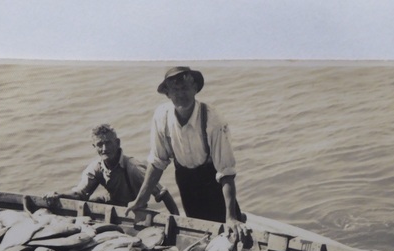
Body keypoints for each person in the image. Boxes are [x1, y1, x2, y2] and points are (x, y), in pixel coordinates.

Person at [125, 66, 248, 241]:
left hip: (213, 181)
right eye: (175, 90)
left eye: (185, 88)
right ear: (167, 94)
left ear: (195, 88)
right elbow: (158, 162)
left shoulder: (213, 119)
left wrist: (231, 217)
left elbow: (226, 172)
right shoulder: (162, 117)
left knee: (231, 234)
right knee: (200, 235)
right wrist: (140, 200)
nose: (180, 94)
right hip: (186, 182)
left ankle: (237, 217)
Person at [44, 124, 179, 215]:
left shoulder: (133, 167)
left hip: (134, 210)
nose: (104, 149)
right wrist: (60, 195)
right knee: (90, 203)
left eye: (108, 143)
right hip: (112, 206)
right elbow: (80, 194)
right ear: (94, 147)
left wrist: (176, 220)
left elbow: (163, 194)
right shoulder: (96, 167)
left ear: (117, 143)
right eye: (99, 144)